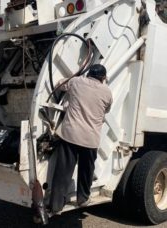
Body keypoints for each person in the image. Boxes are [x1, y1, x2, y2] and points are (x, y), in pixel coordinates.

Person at [48, 64, 113, 213]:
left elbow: (59, 85)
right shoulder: (107, 92)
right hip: (90, 139)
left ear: (89, 74)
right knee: (86, 171)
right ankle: (83, 199)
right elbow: (106, 110)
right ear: (103, 78)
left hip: (71, 135)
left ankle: (56, 205)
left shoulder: (77, 82)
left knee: (63, 172)